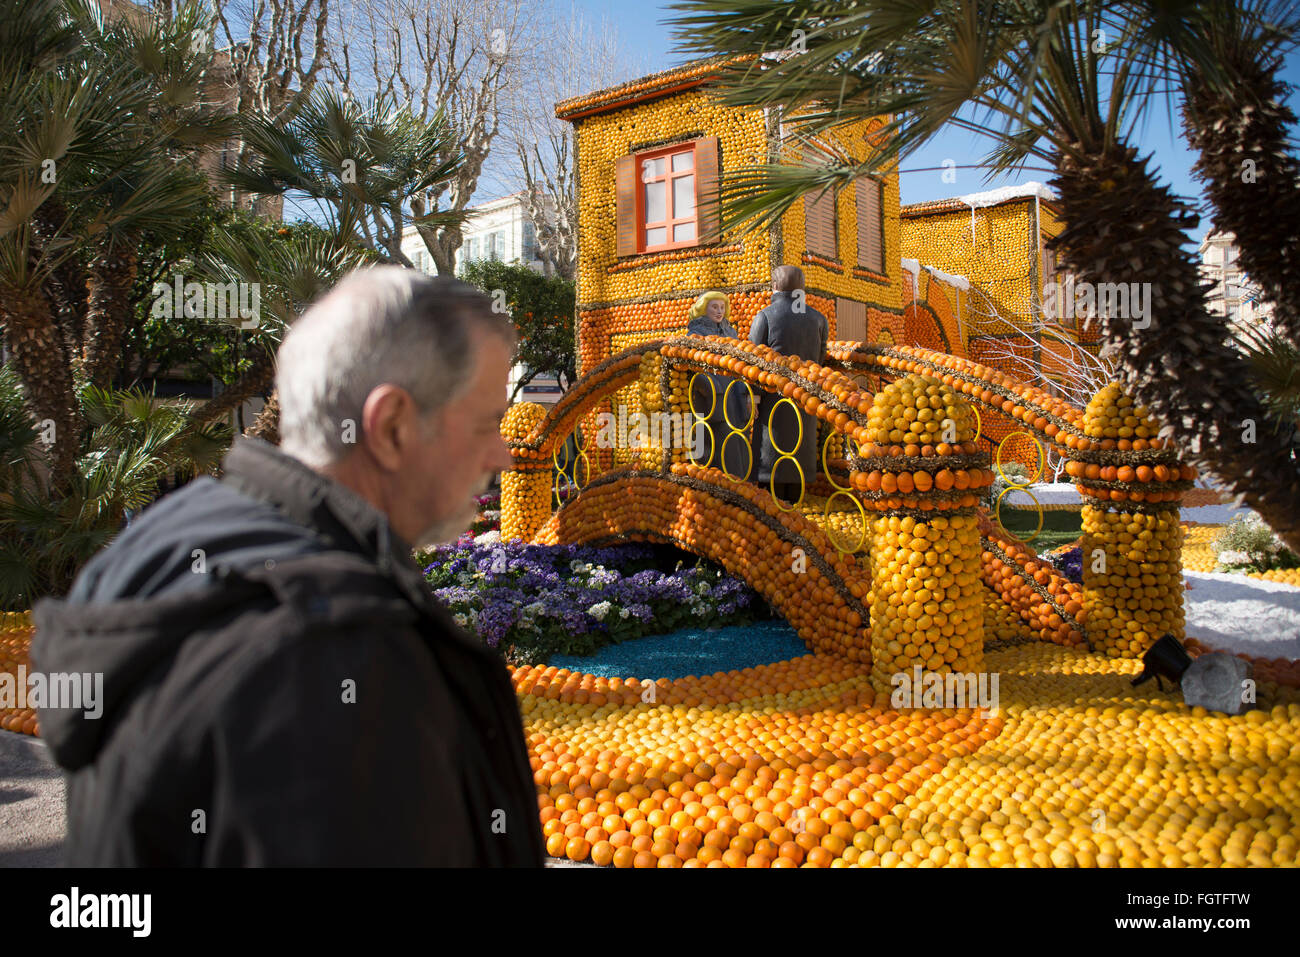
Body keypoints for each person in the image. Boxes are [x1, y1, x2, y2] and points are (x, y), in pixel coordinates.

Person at [30, 266, 546, 866]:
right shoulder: (336, 651)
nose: (504, 453)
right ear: (393, 426)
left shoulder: (163, 543)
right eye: (487, 423)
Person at [748, 265, 829, 504]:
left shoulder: (765, 316)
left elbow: (752, 361)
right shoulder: (818, 319)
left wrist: (753, 395)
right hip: (805, 398)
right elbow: (821, 359)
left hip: (773, 398)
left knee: (771, 454)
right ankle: (795, 506)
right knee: (799, 451)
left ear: (774, 286)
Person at [686, 291, 753, 479]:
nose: (719, 311)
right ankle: (723, 484)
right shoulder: (695, 334)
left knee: (740, 434)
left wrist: (746, 394)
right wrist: (713, 390)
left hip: (735, 392)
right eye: (714, 307)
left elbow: (741, 363)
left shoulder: (731, 332)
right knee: (720, 439)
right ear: (703, 308)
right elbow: (694, 366)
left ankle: (741, 483)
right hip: (714, 397)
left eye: (722, 307)